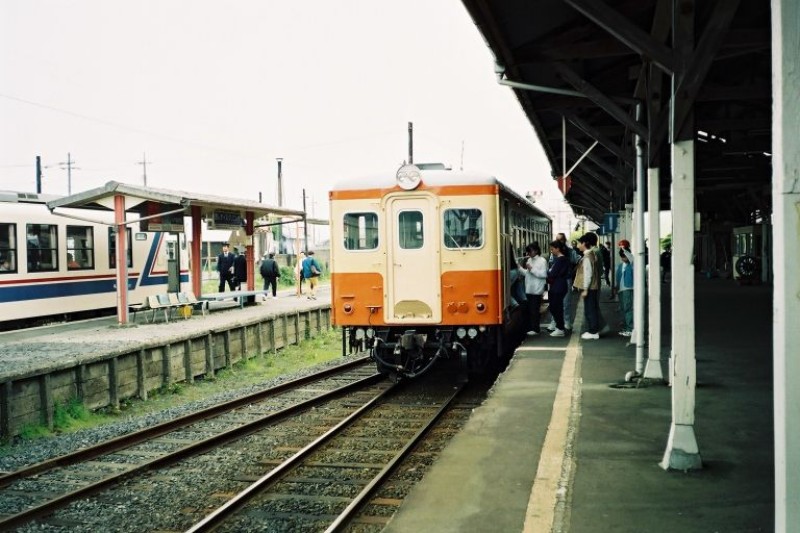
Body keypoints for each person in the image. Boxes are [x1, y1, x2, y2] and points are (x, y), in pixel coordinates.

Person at [548, 233, 579, 332]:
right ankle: (554, 321)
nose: (559, 241)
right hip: (555, 280)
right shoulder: (554, 253)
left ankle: (567, 321)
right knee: (554, 302)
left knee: (566, 301)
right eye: (557, 239)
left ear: (564, 240)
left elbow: (579, 260)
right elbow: (551, 265)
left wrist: (573, 271)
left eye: (560, 240)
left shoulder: (571, 252)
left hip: (566, 279)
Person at [574, 234, 601, 340]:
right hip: (593, 287)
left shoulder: (587, 258)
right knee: (592, 308)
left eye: (580, 243)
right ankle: (594, 330)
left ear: (585, 243)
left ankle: (593, 331)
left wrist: (585, 289)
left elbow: (587, 274)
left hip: (590, 288)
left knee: (590, 309)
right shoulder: (592, 254)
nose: (578, 245)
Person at [521, 242, 548, 336]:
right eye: (528, 251)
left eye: (530, 251)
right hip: (529, 288)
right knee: (530, 309)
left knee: (534, 310)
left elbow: (543, 275)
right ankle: (532, 327)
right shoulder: (529, 260)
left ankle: (535, 329)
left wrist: (531, 269)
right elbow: (527, 274)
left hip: (537, 289)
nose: (528, 253)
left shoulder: (542, 261)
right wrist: (519, 268)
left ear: (536, 251)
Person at [547, 239, 571, 337]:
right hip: (557, 286)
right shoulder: (560, 260)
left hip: (558, 286)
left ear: (558, 249)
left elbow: (552, 273)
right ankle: (559, 327)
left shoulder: (561, 260)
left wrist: (549, 272)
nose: (551, 251)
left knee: (556, 307)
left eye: (552, 249)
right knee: (554, 307)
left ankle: (560, 328)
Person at [615, 248, 634, 336]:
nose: (624, 259)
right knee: (623, 309)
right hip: (620, 289)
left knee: (628, 308)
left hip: (628, 288)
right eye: (622, 257)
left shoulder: (632, 265)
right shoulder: (620, 266)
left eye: (625, 257)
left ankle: (630, 329)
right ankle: (626, 327)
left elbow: (632, 258)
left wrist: (625, 250)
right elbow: (617, 278)